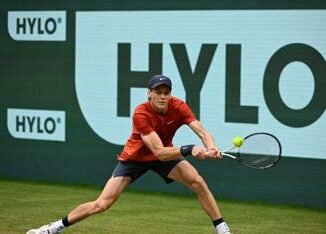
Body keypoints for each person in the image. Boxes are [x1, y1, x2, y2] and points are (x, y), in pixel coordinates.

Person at [26, 75, 232, 234]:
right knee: (102, 204)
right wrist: (190, 149)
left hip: (166, 154)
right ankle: (52, 228)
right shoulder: (141, 113)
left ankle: (222, 229)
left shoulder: (178, 106)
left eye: (166, 92)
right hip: (136, 159)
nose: (162, 96)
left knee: (198, 182)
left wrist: (211, 146)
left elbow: (202, 132)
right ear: (149, 93)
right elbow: (159, 152)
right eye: (158, 92)